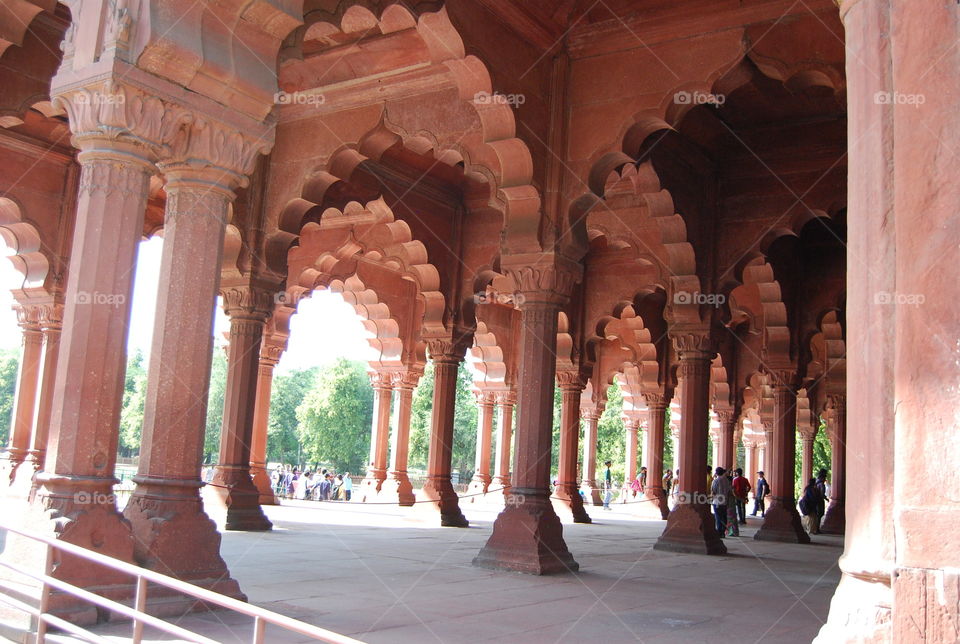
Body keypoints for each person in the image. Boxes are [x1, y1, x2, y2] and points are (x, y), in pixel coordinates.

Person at [711, 467, 733, 537]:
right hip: (725, 502)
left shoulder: (716, 481)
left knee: (718, 517)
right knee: (724, 517)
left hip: (717, 502)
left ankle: (719, 532)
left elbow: (713, 492)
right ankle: (723, 532)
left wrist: (711, 498)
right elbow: (729, 491)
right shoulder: (727, 481)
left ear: (716, 473)